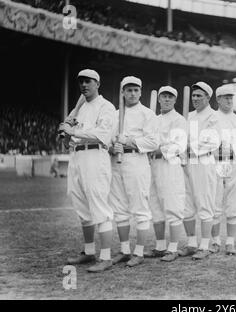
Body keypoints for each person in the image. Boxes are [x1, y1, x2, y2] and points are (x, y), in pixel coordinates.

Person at [59, 69, 116, 272]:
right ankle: (89, 251)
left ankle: (106, 257)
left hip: (95, 155)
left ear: (97, 84)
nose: (84, 85)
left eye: (89, 81)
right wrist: (65, 134)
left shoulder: (106, 106)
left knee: (99, 205)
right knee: (81, 204)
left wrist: (73, 130)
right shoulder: (80, 108)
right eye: (81, 81)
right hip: (77, 156)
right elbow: (70, 140)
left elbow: (102, 134)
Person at [109, 76, 159, 267]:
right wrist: (113, 146)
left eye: (135, 90)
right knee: (119, 208)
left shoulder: (147, 114)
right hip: (117, 161)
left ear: (140, 92)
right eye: (128, 90)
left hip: (137, 160)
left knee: (140, 208)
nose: (132, 93)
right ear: (122, 92)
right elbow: (107, 139)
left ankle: (138, 252)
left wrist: (128, 141)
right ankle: (124, 250)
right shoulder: (114, 114)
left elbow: (153, 142)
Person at [145, 86, 188, 262]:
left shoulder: (179, 120)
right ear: (159, 99)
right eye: (164, 96)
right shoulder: (152, 119)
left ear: (175, 100)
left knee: (172, 205)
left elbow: (179, 145)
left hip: (169, 163)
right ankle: (160, 246)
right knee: (155, 205)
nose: (167, 99)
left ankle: (173, 248)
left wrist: (159, 148)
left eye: (170, 96)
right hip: (152, 164)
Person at [209, 85, 236, 255]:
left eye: (230, 97)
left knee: (234, 202)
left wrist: (233, 151)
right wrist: (216, 150)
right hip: (216, 163)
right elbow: (206, 140)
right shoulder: (211, 118)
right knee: (215, 203)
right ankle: (214, 241)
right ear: (218, 99)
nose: (228, 100)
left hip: (234, 163)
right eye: (225, 97)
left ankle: (230, 242)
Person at [179, 82, 221, 260]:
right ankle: (191, 243)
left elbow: (212, 141)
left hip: (203, 162)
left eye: (199, 96)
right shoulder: (187, 117)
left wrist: (187, 146)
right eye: (193, 95)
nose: (195, 99)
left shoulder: (214, 116)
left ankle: (205, 245)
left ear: (207, 97)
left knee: (205, 203)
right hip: (185, 163)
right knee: (186, 205)